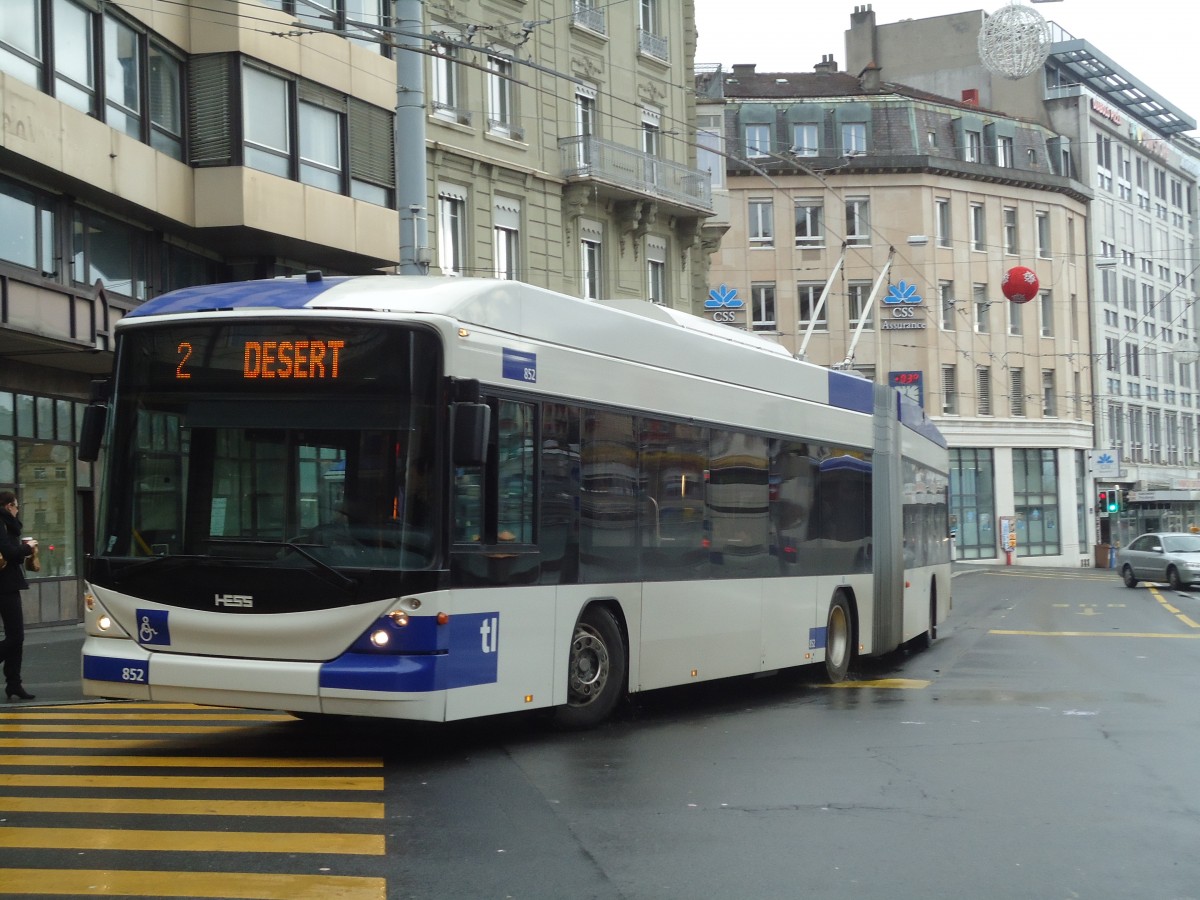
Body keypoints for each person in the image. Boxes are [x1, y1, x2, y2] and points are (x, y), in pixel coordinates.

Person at [0, 491, 37, 701]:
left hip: (9, 583)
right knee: (16, 637)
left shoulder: (8, 524)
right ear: (8, 506)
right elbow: (8, 551)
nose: (18, 509)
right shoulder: (1, 523)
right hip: (3, 585)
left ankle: (14, 684)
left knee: (17, 637)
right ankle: (13, 683)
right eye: (16, 506)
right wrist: (27, 548)